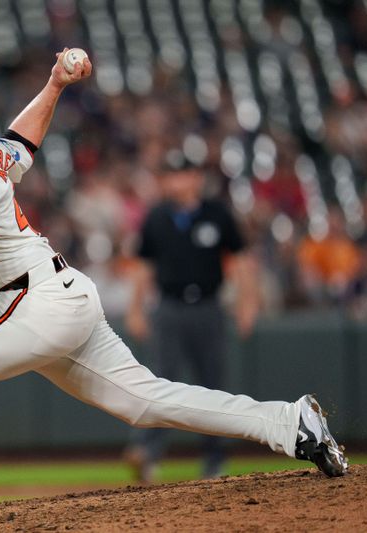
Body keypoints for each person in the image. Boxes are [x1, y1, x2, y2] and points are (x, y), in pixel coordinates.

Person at [0, 44, 347, 533]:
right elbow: (23, 145)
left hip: (29, 300)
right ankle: (291, 423)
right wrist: (54, 85)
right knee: (145, 400)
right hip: (56, 294)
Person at [123, 150, 260, 482]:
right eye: (170, 175)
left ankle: (215, 460)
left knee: (212, 383)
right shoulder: (157, 216)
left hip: (208, 306)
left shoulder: (216, 214)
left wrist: (248, 302)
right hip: (169, 307)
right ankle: (148, 453)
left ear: (196, 177)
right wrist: (136, 308)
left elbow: (241, 259)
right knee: (161, 381)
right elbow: (143, 266)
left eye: (182, 174)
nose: (176, 181)